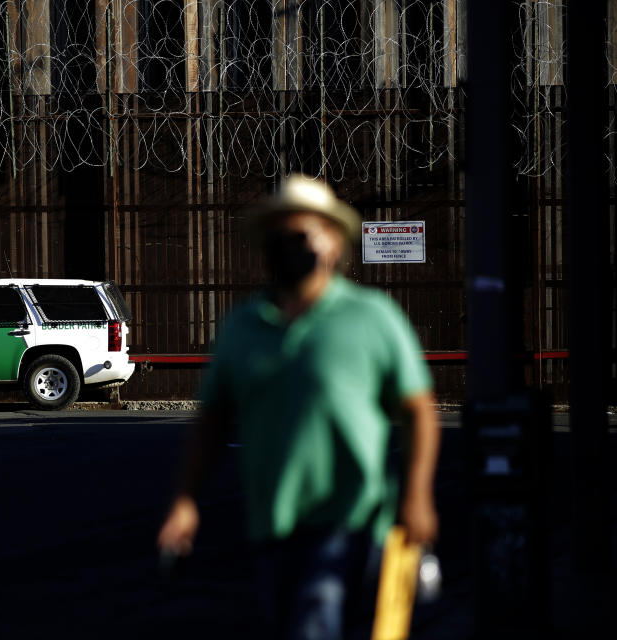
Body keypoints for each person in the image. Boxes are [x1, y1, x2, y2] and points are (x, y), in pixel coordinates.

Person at [156, 174, 441, 639]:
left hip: (354, 517)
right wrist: (185, 503)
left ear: (331, 243)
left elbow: (418, 410)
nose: (287, 245)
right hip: (272, 521)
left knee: (315, 618)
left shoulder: (370, 318)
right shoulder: (243, 326)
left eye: (300, 234)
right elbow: (211, 422)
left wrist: (417, 496)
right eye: (277, 236)